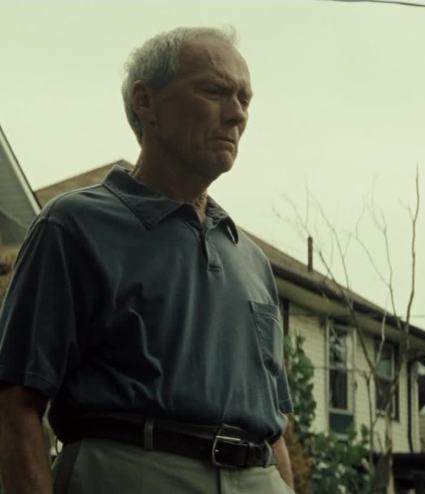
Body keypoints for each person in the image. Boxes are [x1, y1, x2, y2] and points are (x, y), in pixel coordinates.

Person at [0, 27, 294, 494]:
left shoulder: (250, 259)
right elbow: (15, 399)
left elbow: (274, 426)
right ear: (146, 102)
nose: (238, 113)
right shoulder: (73, 226)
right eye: (215, 91)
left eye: (245, 99)